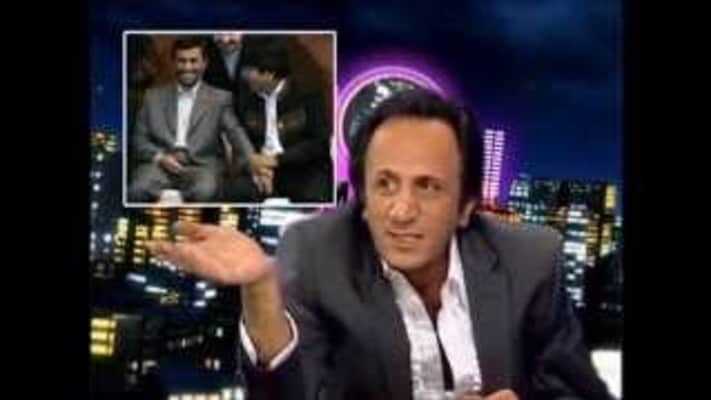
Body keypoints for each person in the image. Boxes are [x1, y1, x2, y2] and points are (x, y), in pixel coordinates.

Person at [147, 89, 612, 399]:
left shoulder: (530, 259)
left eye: (428, 186)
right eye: (385, 185)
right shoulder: (316, 253)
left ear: (466, 206)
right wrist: (260, 289)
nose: (401, 211)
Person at [128, 36, 255, 203]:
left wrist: (255, 163)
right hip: (158, 166)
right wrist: (160, 157)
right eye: (182, 61)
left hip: (202, 168)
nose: (187, 67)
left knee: (205, 191)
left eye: (193, 61)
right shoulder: (152, 97)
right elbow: (139, 140)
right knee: (137, 189)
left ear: (204, 63)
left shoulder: (220, 99)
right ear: (173, 63)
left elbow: (235, 132)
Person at [224, 36, 333, 203]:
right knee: (236, 192)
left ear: (268, 75)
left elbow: (319, 144)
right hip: (261, 168)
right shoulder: (245, 96)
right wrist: (257, 169)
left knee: (314, 197)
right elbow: (240, 138)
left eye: (248, 72)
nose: (243, 76)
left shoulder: (307, 93)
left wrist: (276, 160)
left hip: (301, 168)